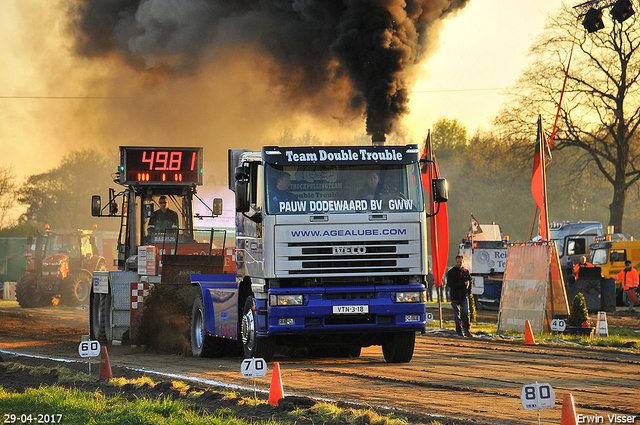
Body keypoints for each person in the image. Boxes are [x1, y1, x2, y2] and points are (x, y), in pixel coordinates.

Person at [446, 255, 473, 337]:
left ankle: (467, 330)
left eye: (460, 262)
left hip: (464, 296)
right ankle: (459, 332)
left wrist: (469, 291)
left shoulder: (466, 272)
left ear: (463, 262)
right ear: (456, 262)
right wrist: (462, 285)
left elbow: (470, 281)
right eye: (458, 262)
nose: (459, 264)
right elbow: (451, 284)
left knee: (466, 313)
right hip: (455, 296)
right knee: (456, 315)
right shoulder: (451, 272)